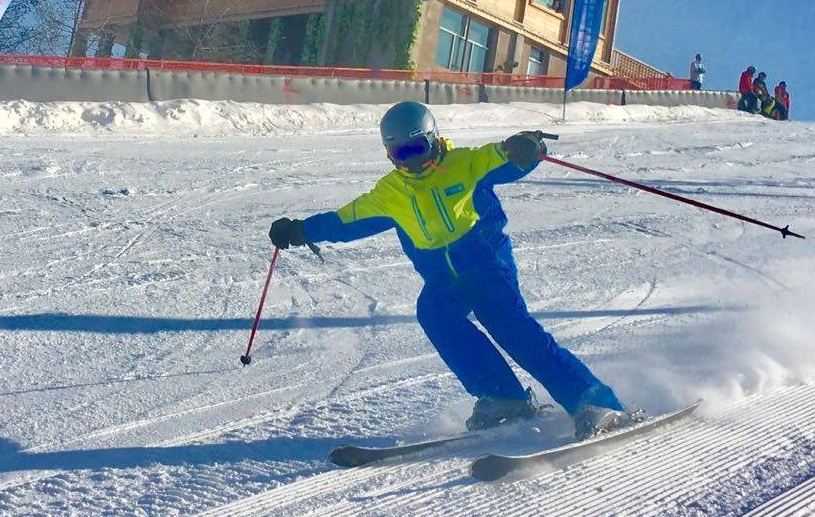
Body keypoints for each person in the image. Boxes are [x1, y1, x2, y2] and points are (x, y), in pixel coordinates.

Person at [268, 102, 634, 441]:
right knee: (434, 313)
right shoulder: (390, 192)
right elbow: (345, 220)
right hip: (443, 279)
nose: (411, 161)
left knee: (512, 329)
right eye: (400, 154)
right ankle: (503, 397)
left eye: (417, 149)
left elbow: (505, 158)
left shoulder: (466, 163)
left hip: (486, 265)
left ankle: (595, 403)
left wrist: (526, 146)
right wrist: (301, 231)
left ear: (433, 139)